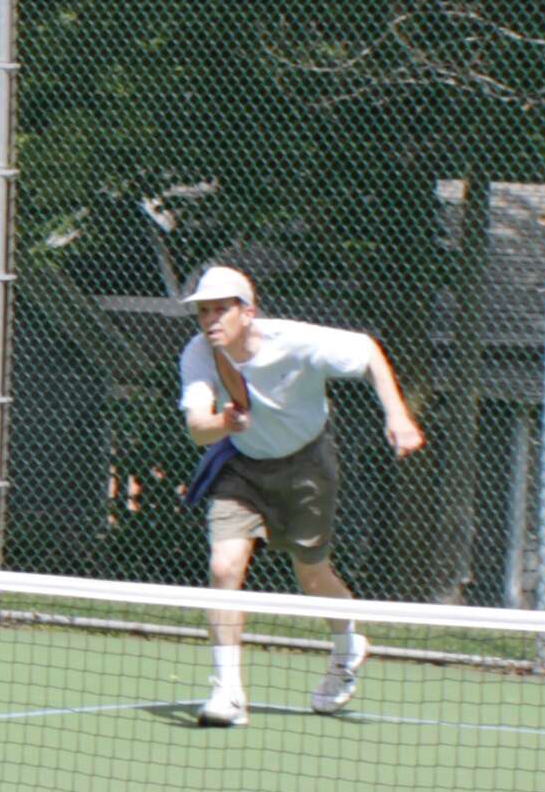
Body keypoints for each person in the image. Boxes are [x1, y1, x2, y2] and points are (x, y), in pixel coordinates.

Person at [169, 264, 423, 725]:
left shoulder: (295, 341)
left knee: (312, 576)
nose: (210, 320)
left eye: (219, 310)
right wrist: (225, 424)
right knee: (223, 567)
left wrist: (397, 416)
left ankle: (348, 645)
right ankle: (227, 693)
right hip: (241, 465)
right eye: (203, 312)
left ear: (247, 312)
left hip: (307, 461)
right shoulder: (199, 354)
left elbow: (367, 351)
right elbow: (196, 429)